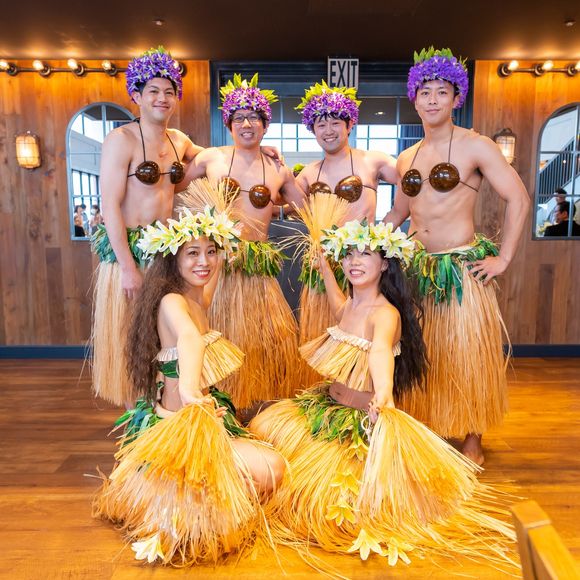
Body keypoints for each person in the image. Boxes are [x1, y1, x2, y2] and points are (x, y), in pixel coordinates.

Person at [249, 220, 517, 570]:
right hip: (325, 408)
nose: (354, 261)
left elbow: (379, 351)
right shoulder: (352, 305)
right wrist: (326, 270)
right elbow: (338, 306)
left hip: (355, 424)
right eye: (348, 254)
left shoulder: (385, 315)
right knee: (264, 429)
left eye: (365, 254)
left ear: (385, 264)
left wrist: (385, 393)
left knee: (330, 502)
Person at [93, 205, 285, 566]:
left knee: (270, 460)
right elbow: (188, 338)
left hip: (202, 421)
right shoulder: (172, 302)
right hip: (182, 430)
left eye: (210, 252)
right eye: (192, 253)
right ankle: (192, 502)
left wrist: (222, 245)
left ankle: (206, 499)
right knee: (272, 468)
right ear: (173, 259)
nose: (204, 261)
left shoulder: (197, 297)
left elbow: (210, 277)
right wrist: (190, 391)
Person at [383, 47, 530, 465]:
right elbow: (398, 213)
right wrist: (362, 239)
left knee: (469, 355)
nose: (432, 100)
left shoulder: (476, 146)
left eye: (441, 92)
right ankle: (430, 424)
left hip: (459, 268)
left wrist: (503, 258)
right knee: (423, 351)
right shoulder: (407, 157)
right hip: (419, 269)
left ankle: (472, 435)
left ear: (456, 97)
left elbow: (519, 198)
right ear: (414, 99)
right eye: (424, 92)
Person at [180, 74, 306, 409]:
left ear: (265, 125)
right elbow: (174, 187)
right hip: (217, 268)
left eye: (254, 117)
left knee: (266, 339)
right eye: (238, 118)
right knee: (215, 335)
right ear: (228, 123)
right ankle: (217, 403)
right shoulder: (211, 158)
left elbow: (305, 206)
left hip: (257, 272)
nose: (246, 124)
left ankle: (253, 403)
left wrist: (281, 198)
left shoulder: (277, 169)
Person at [91, 46, 205, 407]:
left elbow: (211, 157)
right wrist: (127, 267)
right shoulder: (121, 140)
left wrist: (258, 151)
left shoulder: (179, 140)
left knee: (162, 335)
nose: (162, 98)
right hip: (131, 251)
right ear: (137, 95)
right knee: (130, 334)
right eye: (153, 91)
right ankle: (134, 412)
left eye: (169, 91)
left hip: (164, 252)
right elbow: (109, 205)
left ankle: (163, 407)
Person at [294, 82, 400, 349]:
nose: (328, 130)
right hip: (323, 267)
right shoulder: (309, 173)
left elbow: (413, 181)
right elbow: (282, 204)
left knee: (362, 339)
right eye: (321, 124)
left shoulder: (372, 161)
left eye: (335, 123)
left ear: (349, 124)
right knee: (321, 336)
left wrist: (388, 225)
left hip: (362, 266)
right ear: (313, 129)